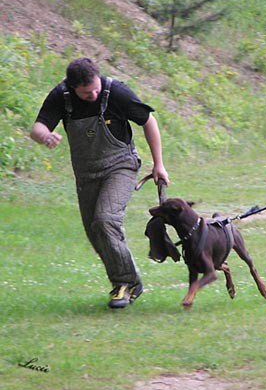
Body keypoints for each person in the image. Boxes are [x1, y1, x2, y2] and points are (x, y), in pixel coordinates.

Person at [30, 57, 170, 309]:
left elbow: (148, 120)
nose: (93, 94)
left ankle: (125, 284)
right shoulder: (60, 96)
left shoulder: (115, 91)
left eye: (95, 88)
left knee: (106, 220)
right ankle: (124, 282)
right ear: (72, 88)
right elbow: (37, 128)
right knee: (96, 232)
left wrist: (158, 164)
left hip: (121, 166)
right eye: (86, 92)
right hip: (86, 174)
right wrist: (45, 136)